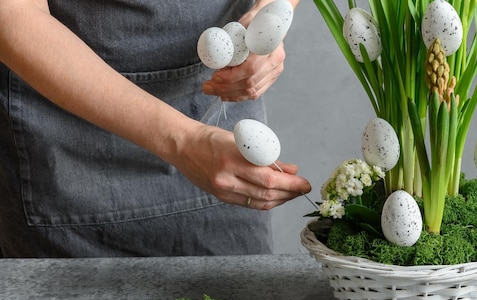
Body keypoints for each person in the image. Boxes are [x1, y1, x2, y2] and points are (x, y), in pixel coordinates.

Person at [0, 0, 311, 257]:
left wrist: (270, 13)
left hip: (219, 128)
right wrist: (183, 141)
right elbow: (11, 13)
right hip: (64, 139)